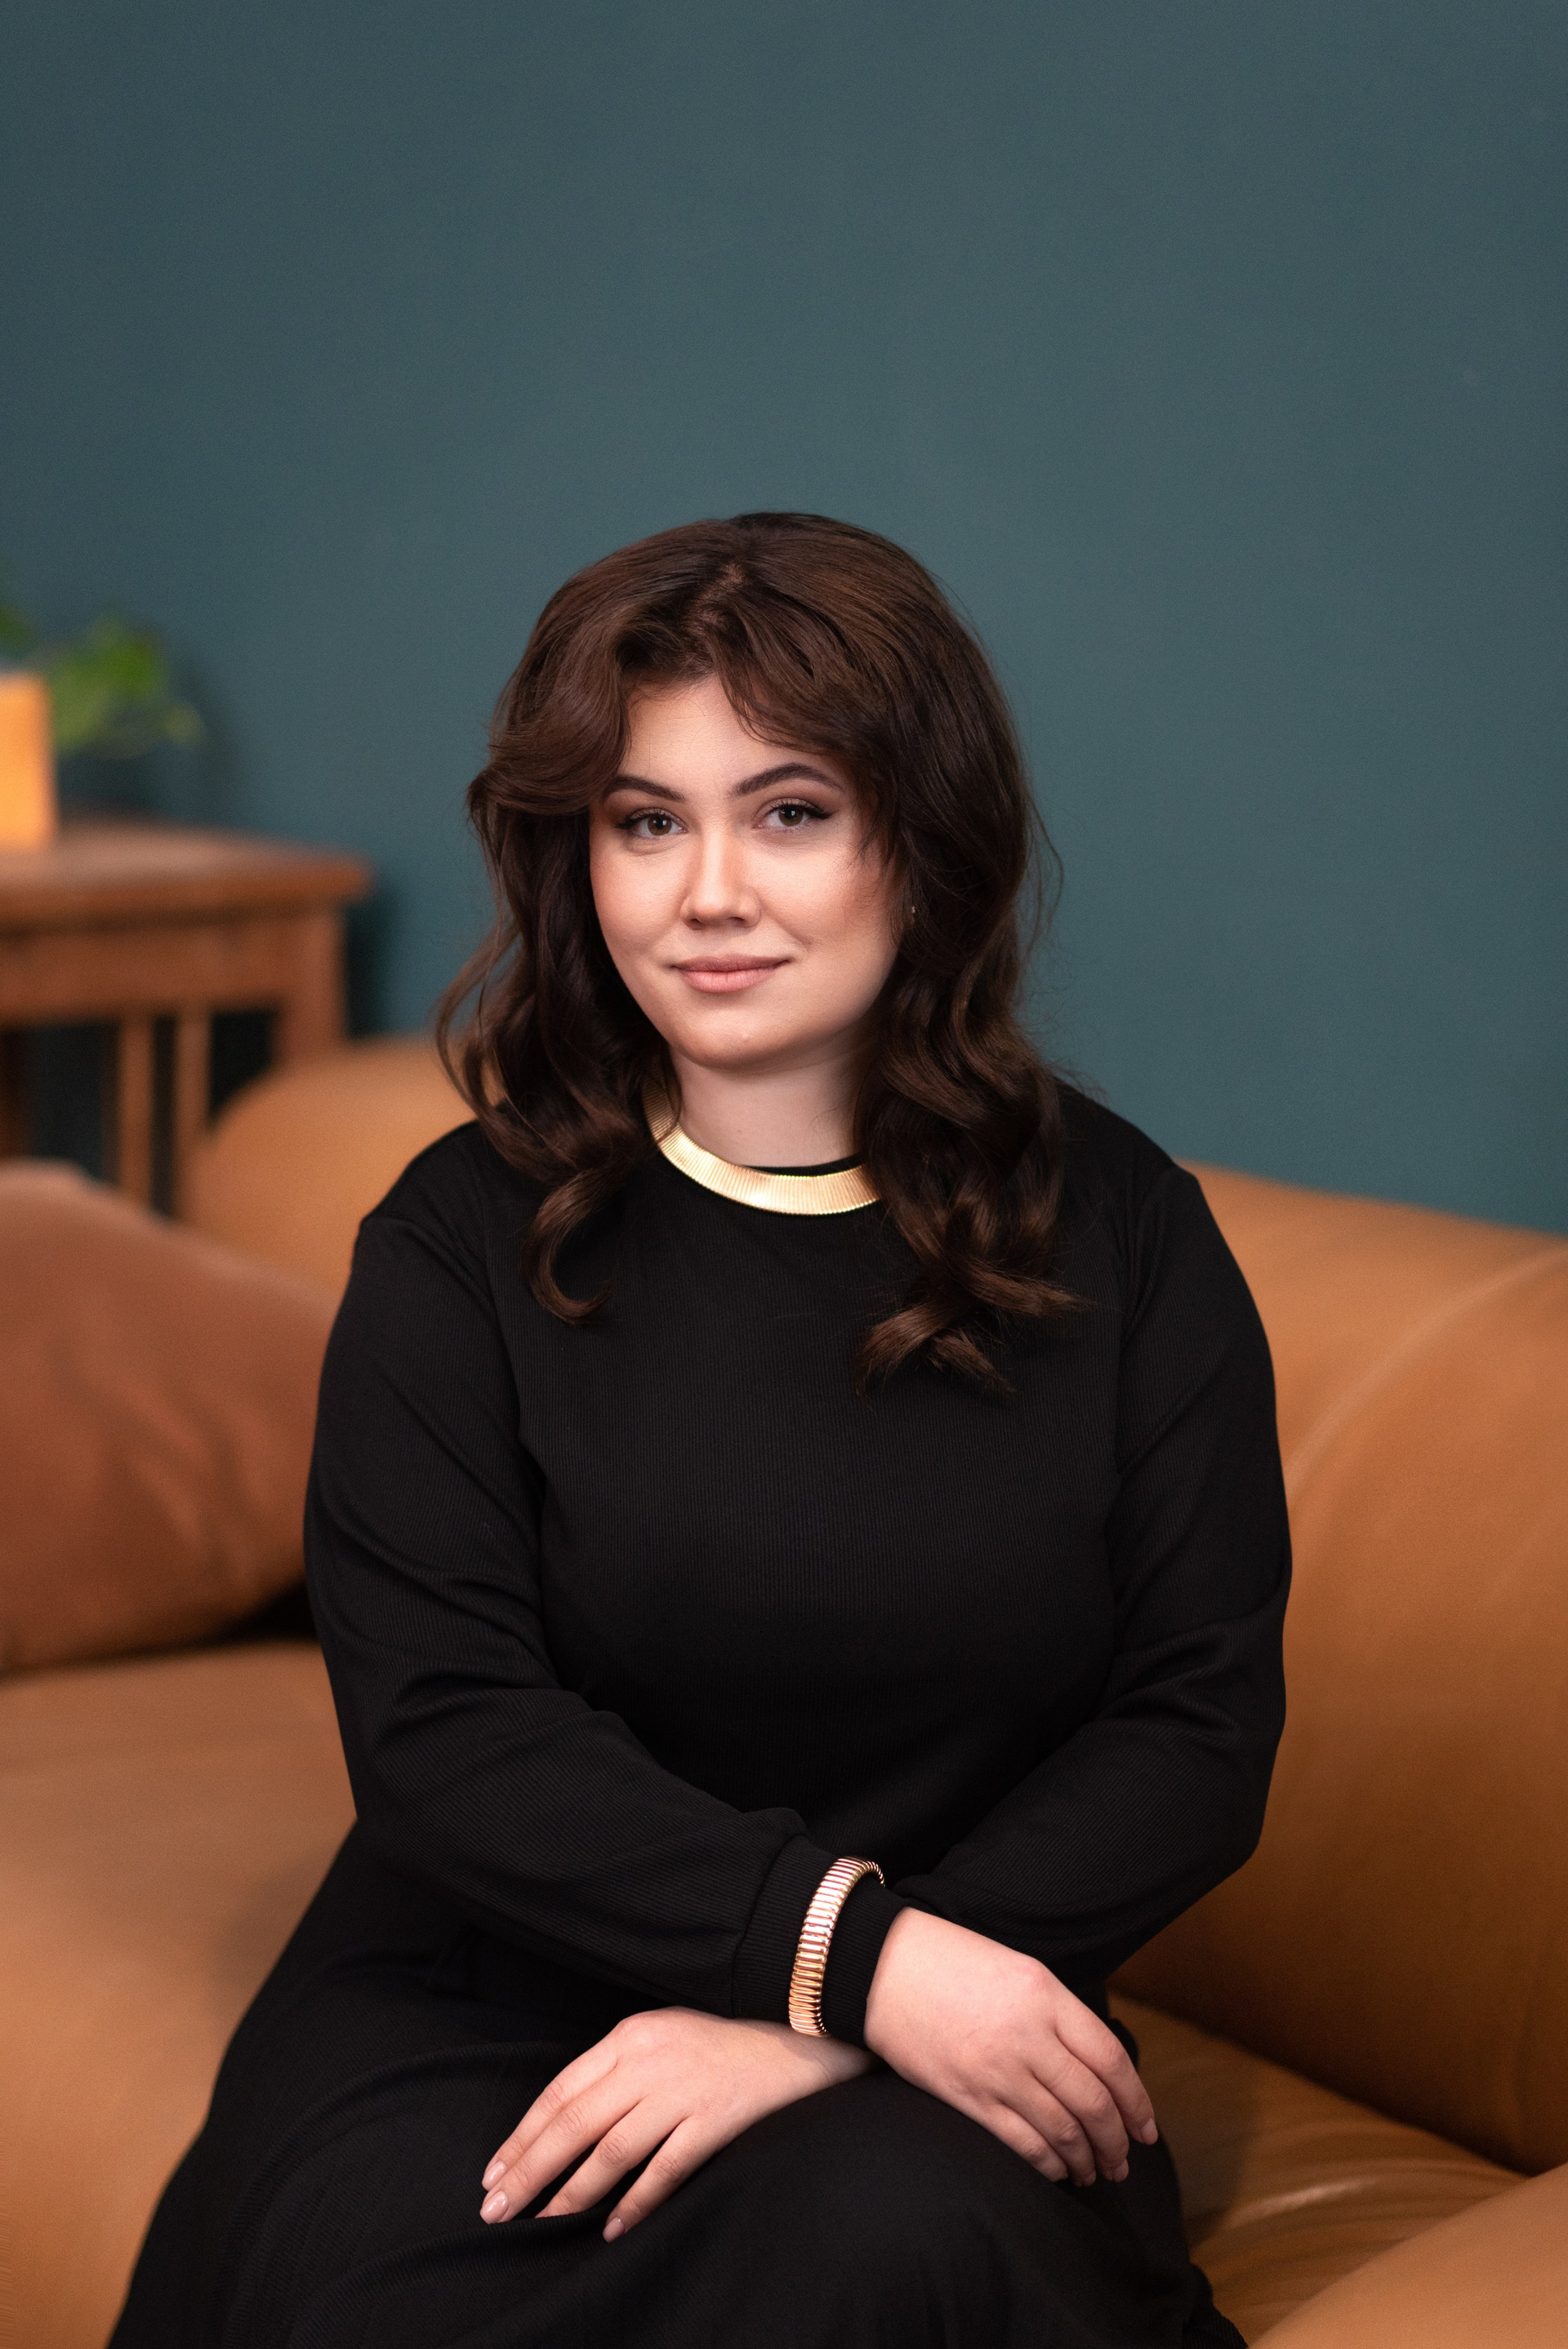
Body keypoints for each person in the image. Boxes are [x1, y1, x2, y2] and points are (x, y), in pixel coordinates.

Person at [110, 512, 1289, 2348]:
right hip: (491, 2002)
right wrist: (847, 1962)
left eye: (790, 811)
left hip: (958, 2010)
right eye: (647, 822)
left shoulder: (1130, 1237)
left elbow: (1197, 1720)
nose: (708, 892)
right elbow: (444, 1729)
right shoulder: (456, 1242)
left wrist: (850, 2004)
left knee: (892, 2250)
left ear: (926, 840)